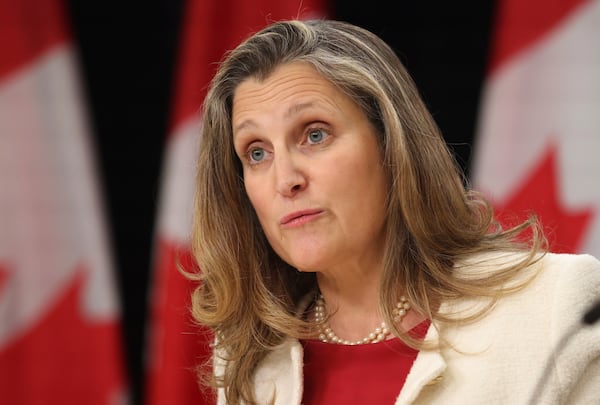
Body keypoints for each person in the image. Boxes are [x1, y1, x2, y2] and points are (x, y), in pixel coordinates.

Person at [186, 19, 600, 404]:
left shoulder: (552, 308)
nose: (285, 179)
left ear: (391, 145)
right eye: (256, 153)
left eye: (314, 134)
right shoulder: (249, 358)